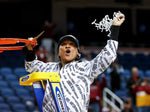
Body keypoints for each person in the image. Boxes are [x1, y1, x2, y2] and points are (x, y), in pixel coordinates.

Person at [23, 12, 125, 112]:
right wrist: (30, 51)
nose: (67, 46)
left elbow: (108, 56)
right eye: (63, 44)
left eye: (72, 44)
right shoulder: (50, 68)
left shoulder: (85, 68)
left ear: (78, 53)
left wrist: (115, 28)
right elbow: (31, 66)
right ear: (58, 52)